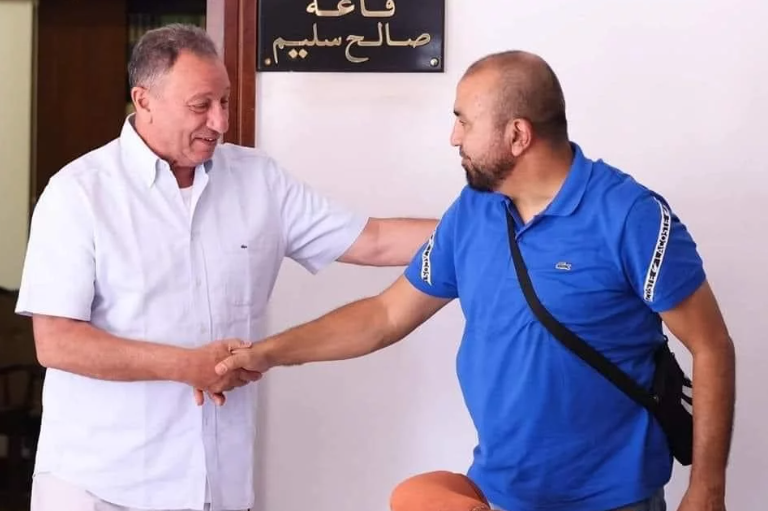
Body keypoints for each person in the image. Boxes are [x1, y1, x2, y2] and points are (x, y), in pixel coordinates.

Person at [216, 50, 736, 511]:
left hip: (614, 498)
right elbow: (385, 315)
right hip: (499, 494)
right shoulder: (472, 212)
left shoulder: (630, 217)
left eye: (464, 121)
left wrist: (707, 489)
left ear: (517, 135)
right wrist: (268, 353)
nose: (454, 137)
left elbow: (711, 346)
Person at [15, 24, 437, 511]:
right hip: (100, 485)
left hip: (218, 487)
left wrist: (489, 225)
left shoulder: (259, 179)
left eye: (225, 102)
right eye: (201, 105)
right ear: (144, 100)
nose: (220, 122)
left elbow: (375, 241)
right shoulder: (78, 193)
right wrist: (185, 366)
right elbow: (57, 342)